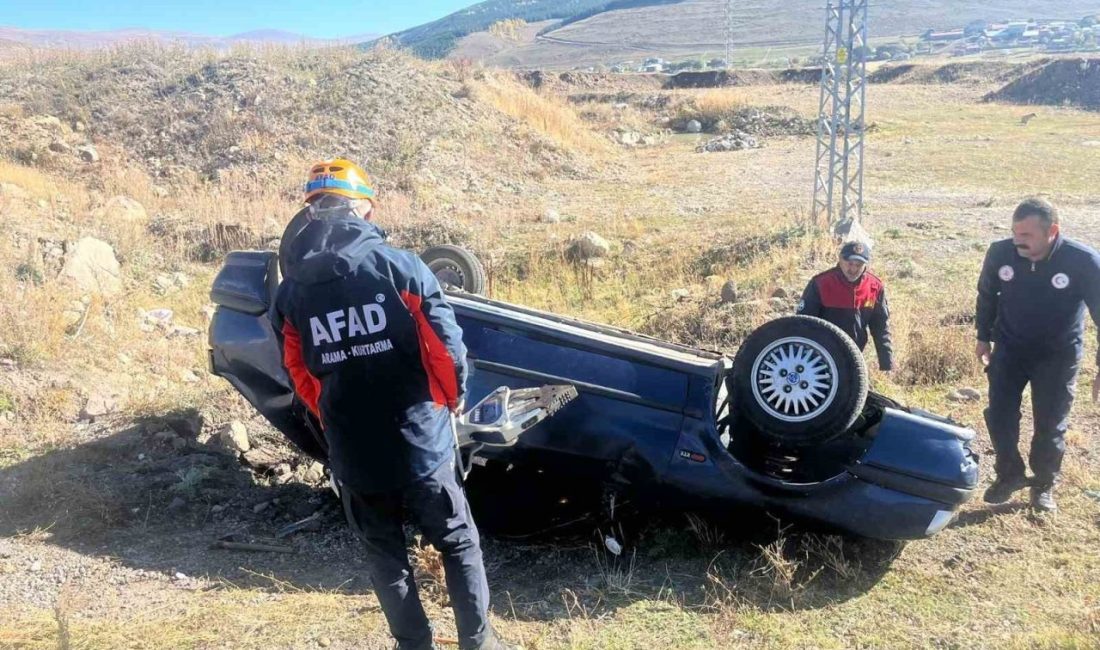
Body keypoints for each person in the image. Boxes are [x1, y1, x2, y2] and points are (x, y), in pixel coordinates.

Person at [272, 159, 514, 650]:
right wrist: (451, 400)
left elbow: (299, 372)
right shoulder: (399, 267)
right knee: (457, 542)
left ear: (313, 212)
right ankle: (478, 643)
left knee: (385, 555)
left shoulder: (290, 292)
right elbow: (446, 350)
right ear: (361, 207)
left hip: (353, 449)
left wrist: (334, 418)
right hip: (419, 441)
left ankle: (413, 644)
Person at [976, 197, 1100, 512]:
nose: (1019, 241)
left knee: (1050, 422)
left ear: (1052, 231)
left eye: (1027, 235)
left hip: (1058, 355)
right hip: (1010, 348)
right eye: (1016, 233)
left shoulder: (1082, 262)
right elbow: (987, 295)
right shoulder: (1000, 253)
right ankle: (1009, 475)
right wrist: (983, 338)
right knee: (1000, 414)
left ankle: (1043, 485)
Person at [796, 241, 894, 372]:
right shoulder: (821, 283)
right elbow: (802, 323)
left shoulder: (874, 287)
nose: (853, 269)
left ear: (865, 264)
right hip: (820, 357)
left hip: (854, 355)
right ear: (840, 259)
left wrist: (886, 362)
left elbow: (881, 327)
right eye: (849, 263)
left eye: (858, 265)